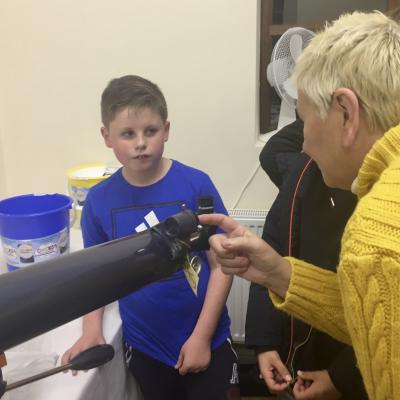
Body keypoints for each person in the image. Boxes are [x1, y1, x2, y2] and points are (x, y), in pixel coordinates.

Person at [199, 11, 400, 400]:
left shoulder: (376, 233)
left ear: (346, 113)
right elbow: (382, 318)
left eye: (305, 121)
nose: (303, 144)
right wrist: (280, 274)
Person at [61, 75, 240, 400]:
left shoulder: (196, 185)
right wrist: (91, 332)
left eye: (151, 131)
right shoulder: (99, 202)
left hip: (208, 340)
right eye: (128, 134)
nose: (140, 143)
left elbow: (222, 265)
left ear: (166, 130)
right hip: (146, 350)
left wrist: (201, 337)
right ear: (107, 137)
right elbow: (97, 277)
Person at [245, 119, 366, 399]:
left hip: (353, 370)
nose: (304, 142)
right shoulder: (303, 169)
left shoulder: (376, 202)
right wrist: (265, 343)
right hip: (298, 351)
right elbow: (274, 248)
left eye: (306, 119)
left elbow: (383, 320)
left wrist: (340, 378)